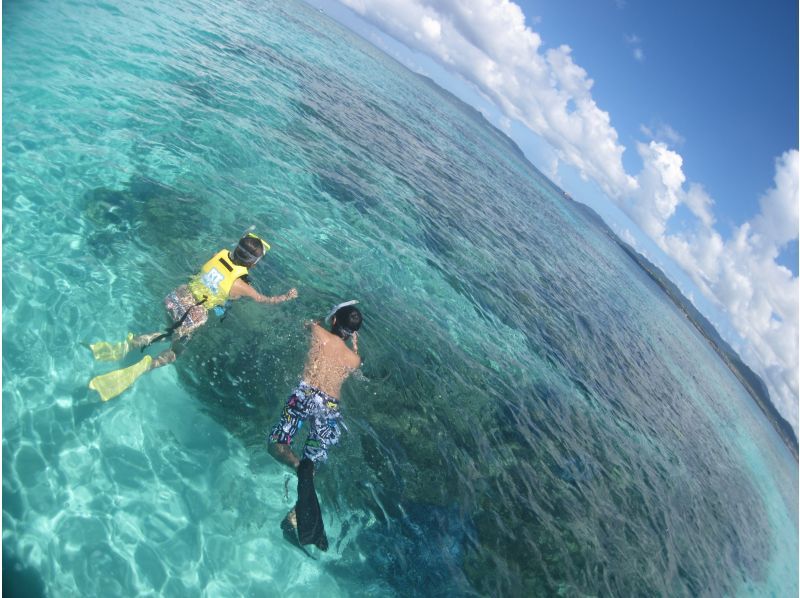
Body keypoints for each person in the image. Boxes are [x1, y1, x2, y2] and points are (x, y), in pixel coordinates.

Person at [88, 232, 298, 401]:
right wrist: (286, 297)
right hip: (192, 314)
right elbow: (263, 300)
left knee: (167, 331)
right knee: (175, 351)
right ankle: (145, 366)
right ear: (254, 264)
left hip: (176, 296)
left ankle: (126, 346)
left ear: (235, 248)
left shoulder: (220, 254)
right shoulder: (240, 285)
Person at [268, 300, 363, 551]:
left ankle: (299, 467)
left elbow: (305, 325)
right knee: (313, 463)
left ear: (334, 320)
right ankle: (294, 517)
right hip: (330, 408)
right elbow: (351, 359)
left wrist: (322, 319)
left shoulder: (318, 332)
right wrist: (354, 345)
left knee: (276, 446)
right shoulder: (354, 360)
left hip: (305, 395)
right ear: (353, 334)